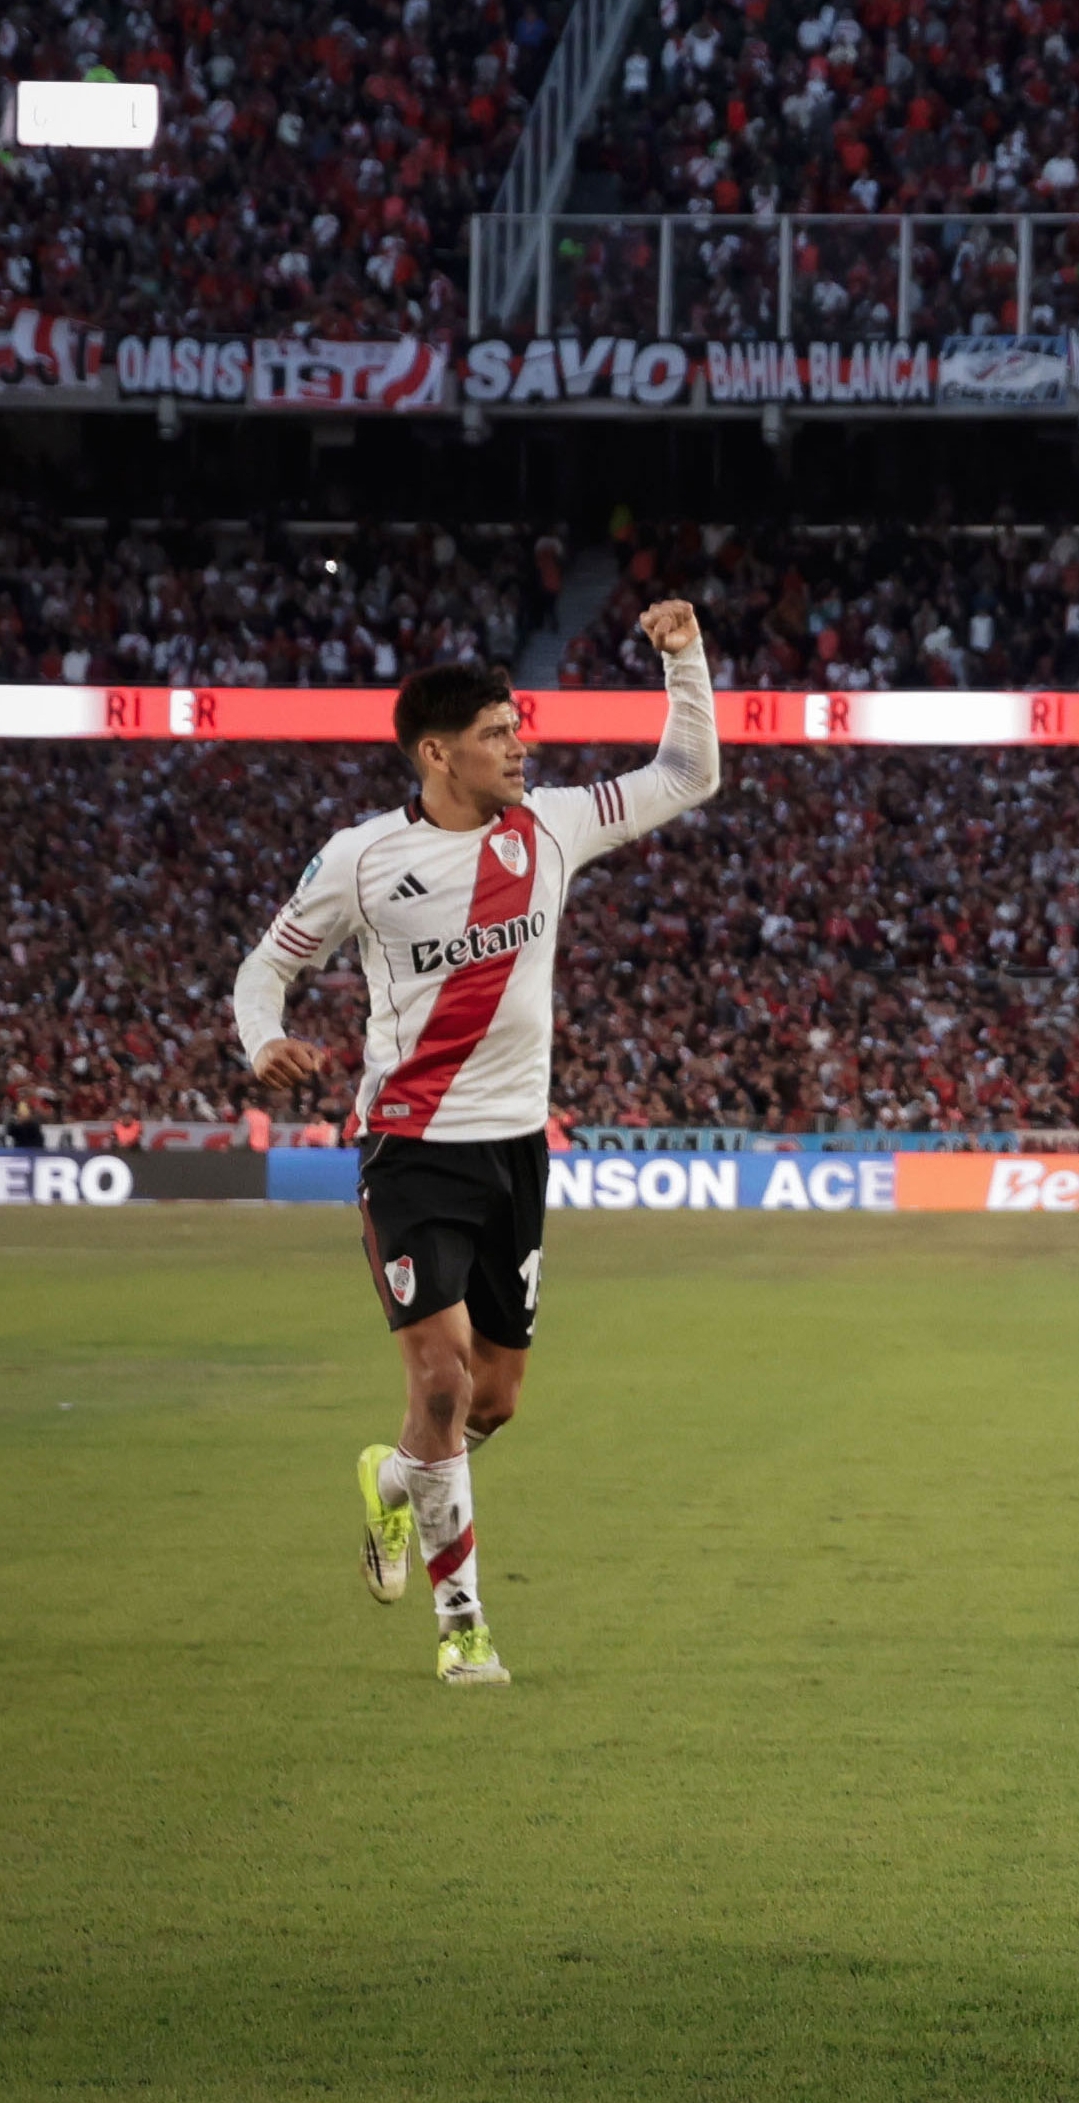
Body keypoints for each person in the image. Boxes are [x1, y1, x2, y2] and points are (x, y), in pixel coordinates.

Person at [232, 600, 721, 1687]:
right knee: (444, 1383)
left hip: (515, 1155)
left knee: (492, 1400)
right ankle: (464, 1628)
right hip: (409, 1150)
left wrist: (683, 658)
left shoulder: (550, 827)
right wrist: (263, 1037)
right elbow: (266, 967)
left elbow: (687, 774)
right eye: (501, 733)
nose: (523, 746)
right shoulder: (360, 861)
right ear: (437, 751)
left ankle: (394, 1479)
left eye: (519, 729)